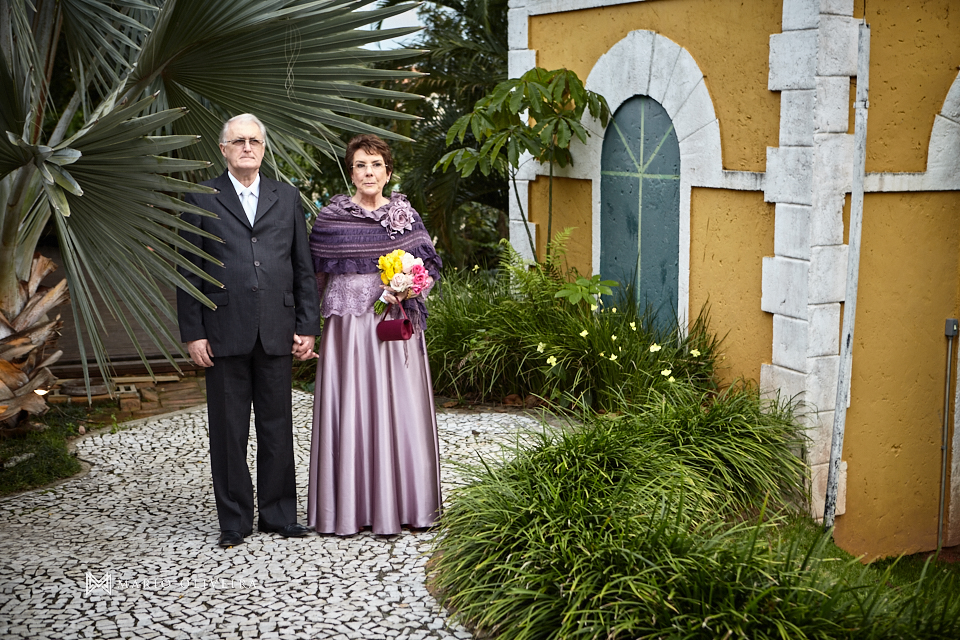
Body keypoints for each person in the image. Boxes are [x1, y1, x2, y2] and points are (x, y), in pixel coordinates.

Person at [177, 114, 322, 548]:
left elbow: (303, 268)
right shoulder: (200, 197)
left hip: (277, 329)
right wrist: (193, 333)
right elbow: (188, 271)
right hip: (222, 331)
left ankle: (279, 515)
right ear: (223, 150)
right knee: (228, 430)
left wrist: (307, 326)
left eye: (254, 140)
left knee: (277, 427)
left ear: (263, 148)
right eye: (238, 141)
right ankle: (234, 520)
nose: (246, 147)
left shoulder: (287, 196)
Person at [307, 134, 442, 535]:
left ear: (388, 172)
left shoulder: (406, 216)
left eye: (376, 165)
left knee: (400, 410)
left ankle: (406, 505)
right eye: (361, 166)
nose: (369, 173)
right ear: (351, 172)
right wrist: (304, 329)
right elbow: (314, 276)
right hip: (347, 331)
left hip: (394, 327)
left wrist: (409, 287)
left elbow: (430, 267)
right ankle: (347, 510)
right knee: (349, 409)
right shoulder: (331, 219)